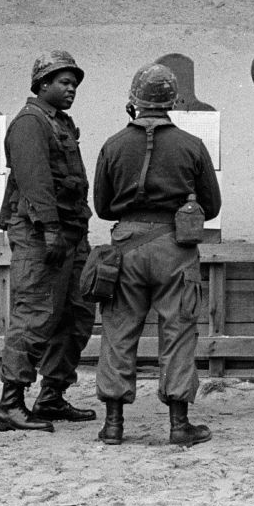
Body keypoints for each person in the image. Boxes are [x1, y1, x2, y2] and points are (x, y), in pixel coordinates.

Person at [92, 64, 222, 446]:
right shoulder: (192, 145)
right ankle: (179, 426)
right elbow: (211, 206)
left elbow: (102, 207)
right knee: (179, 332)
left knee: (117, 331)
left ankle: (113, 424)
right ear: (172, 101)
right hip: (176, 249)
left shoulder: (113, 144)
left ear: (134, 100)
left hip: (126, 247)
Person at [0, 50, 96, 432]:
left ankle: (52, 396)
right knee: (34, 313)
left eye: (74, 84)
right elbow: (35, 182)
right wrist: (51, 230)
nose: (71, 89)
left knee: (75, 315)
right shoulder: (30, 123)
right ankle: (10, 404)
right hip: (41, 234)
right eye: (64, 82)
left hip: (69, 232)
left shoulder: (60, 123)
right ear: (42, 84)